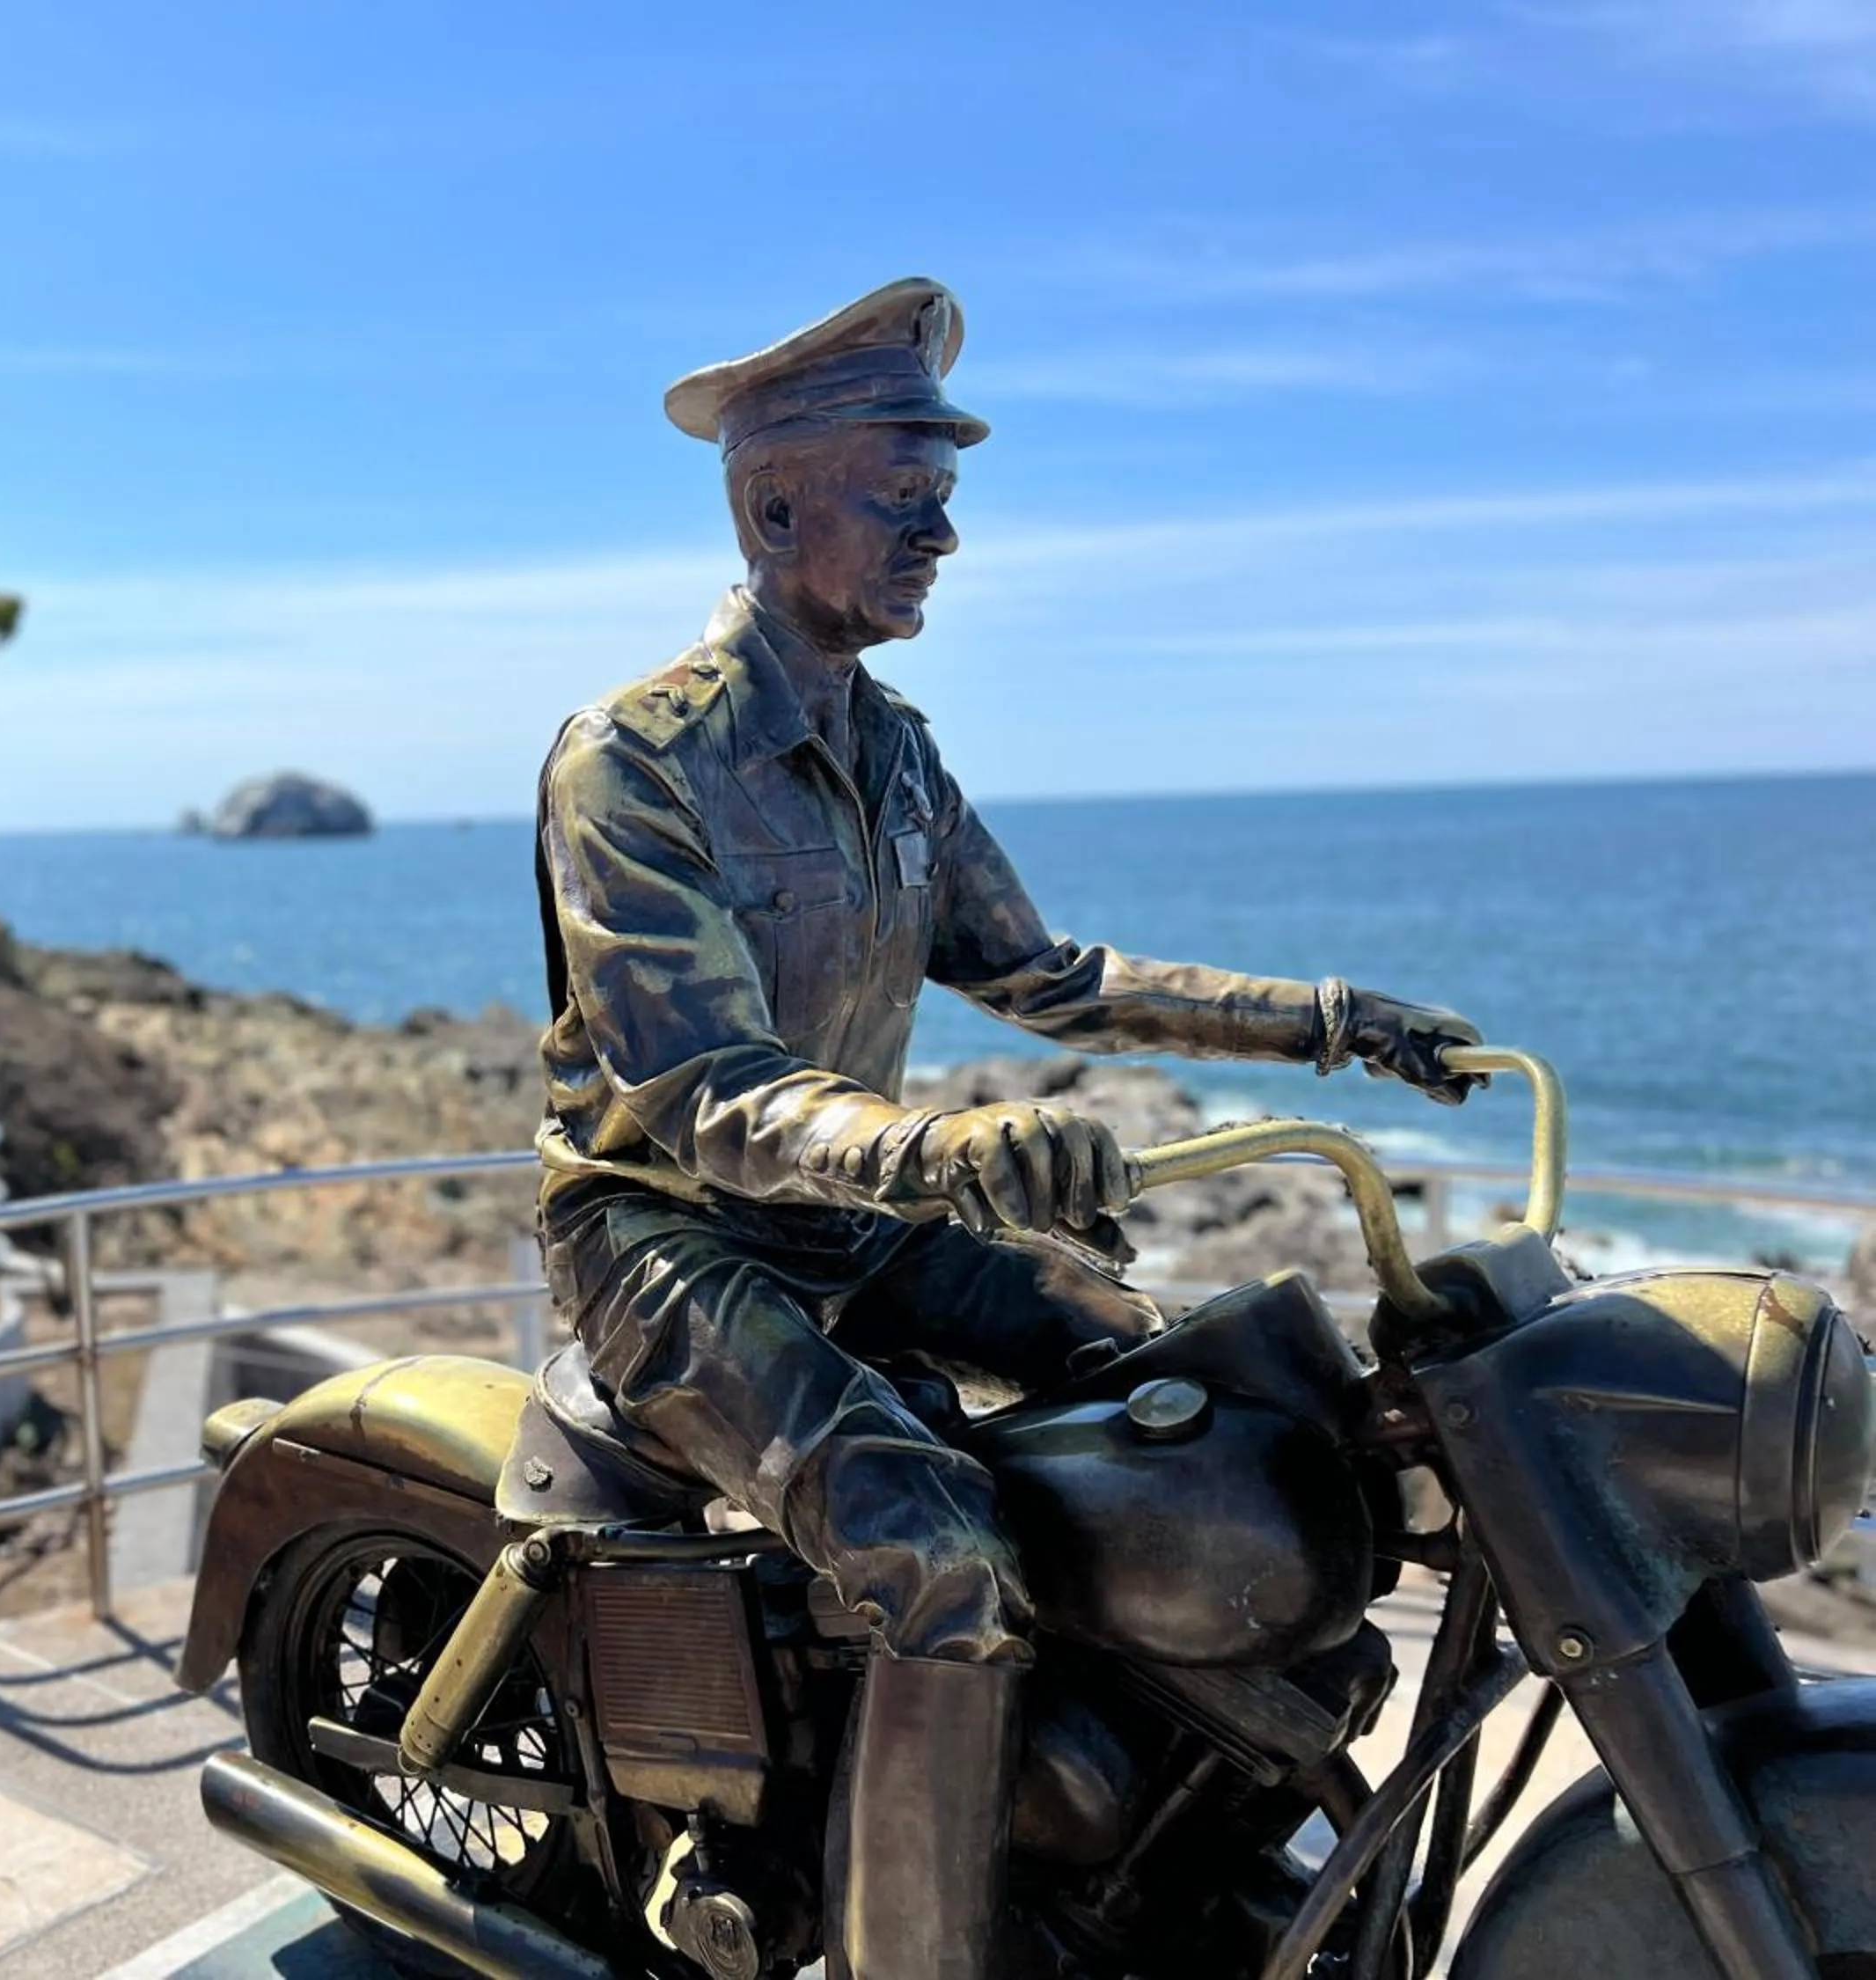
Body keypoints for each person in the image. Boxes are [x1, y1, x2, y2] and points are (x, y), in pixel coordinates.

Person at [531, 278, 1482, 1980]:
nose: (944, 537)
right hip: (663, 1232)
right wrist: (946, 1152)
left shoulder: (896, 754)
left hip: (851, 1218)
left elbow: (1048, 976)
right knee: (932, 1549)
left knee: (1199, 1384)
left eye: (946, 498)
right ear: (773, 507)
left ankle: (1137, 1834)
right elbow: (701, 1088)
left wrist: (1329, 1021)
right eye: (909, 498)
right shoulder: (635, 761)